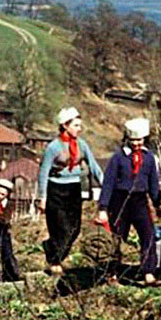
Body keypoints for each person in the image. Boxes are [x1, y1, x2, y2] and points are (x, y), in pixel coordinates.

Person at [97, 118, 161, 286]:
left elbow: (153, 182)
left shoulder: (148, 159)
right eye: (133, 140)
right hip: (120, 200)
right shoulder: (118, 158)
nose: (137, 143)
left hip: (140, 200)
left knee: (148, 234)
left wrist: (157, 203)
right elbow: (108, 182)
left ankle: (149, 272)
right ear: (127, 139)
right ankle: (112, 272)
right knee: (118, 236)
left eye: (140, 140)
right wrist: (103, 207)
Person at [38, 107, 104, 275]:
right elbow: (43, 172)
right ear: (65, 126)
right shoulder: (53, 147)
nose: (79, 129)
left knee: (75, 229)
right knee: (60, 227)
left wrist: (105, 185)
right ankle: (55, 261)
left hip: (74, 189)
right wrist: (43, 197)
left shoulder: (82, 145)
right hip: (56, 189)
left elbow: (94, 167)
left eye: (79, 125)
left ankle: (52, 250)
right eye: (75, 125)